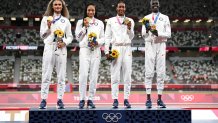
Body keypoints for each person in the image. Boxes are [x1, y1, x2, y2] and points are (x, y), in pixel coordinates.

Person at [39, 0, 73, 109]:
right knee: (46, 74)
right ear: (52, 6)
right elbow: (42, 36)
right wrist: (49, 28)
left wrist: (65, 43)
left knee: (61, 76)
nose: (58, 6)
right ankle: (44, 99)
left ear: (62, 7)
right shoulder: (46, 19)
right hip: (49, 46)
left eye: (59, 4)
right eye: (55, 4)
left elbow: (70, 37)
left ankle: (60, 99)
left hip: (61, 48)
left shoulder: (66, 21)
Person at [105, 0, 134, 108]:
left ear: (125, 9)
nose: (121, 8)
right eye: (119, 7)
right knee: (115, 75)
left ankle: (126, 99)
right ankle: (115, 99)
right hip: (116, 48)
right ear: (116, 8)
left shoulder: (130, 20)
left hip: (127, 48)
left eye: (123, 7)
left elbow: (131, 37)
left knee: (127, 75)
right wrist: (107, 51)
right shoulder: (111, 21)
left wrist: (130, 28)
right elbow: (107, 36)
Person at [141, 0, 171, 108]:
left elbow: (169, 34)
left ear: (159, 5)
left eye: (156, 4)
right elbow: (143, 34)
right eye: (153, 4)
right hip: (149, 44)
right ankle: (148, 99)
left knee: (161, 72)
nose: (155, 5)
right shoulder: (146, 18)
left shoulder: (165, 17)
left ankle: (159, 99)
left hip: (161, 45)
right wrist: (148, 30)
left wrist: (158, 33)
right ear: (150, 6)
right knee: (148, 72)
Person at [75, 3, 105, 109]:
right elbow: (77, 37)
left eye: (93, 10)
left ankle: (91, 99)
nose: (91, 12)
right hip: (84, 50)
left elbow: (103, 38)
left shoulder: (100, 23)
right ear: (86, 11)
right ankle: (82, 99)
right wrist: (84, 27)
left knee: (93, 76)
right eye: (89, 10)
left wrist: (97, 42)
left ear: (95, 11)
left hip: (96, 50)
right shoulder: (80, 22)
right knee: (83, 75)